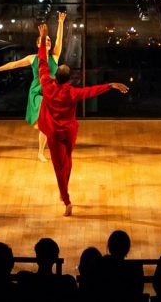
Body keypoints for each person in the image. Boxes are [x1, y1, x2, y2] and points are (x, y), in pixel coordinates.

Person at [35, 22, 128, 216]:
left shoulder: (46, 84)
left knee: (59, 165)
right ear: (68, 79)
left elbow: (42, 62)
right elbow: (92, 91)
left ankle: (66, 198)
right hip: (69, 132)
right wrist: (110, 85)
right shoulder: (72, 93)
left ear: (56, 77)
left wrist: (43, 38)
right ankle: (64, 194)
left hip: (54, 133)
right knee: (67, 161)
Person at [0, 11, 67, 162]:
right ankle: (42, 147)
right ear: (38, 44)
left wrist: (61, 23)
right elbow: (13, 64)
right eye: (45, 40)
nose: (48, 41)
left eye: (49, 40)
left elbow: (60, 40)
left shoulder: (54, 56)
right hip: (37, 93)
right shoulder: (32, 59)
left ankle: (43, 150)